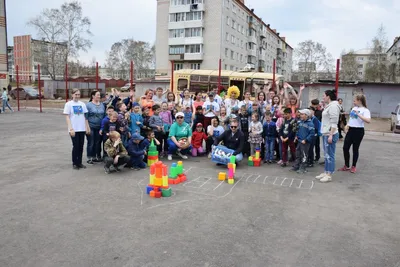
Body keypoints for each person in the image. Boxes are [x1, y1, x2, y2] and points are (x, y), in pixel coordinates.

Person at [338, 94, 371, 174]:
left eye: (355, 100)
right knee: (345, 147)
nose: (353, 102)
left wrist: (359, 114)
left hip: (358, 131)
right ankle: (346, 165)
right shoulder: (354, 108)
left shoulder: (365, 110)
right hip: (351, 130)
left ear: (359, 101)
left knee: (355, 149)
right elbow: (351, 119)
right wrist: (347, 126)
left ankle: (353, 166)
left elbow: (368, 121)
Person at [316, 90, 341, 183]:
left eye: (324, 96)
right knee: (326, 155)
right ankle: (326, 171)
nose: (323, 97)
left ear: (328, 97)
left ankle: (329, 174)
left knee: (330, 155)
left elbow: (334, 122)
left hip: (330, 134)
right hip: (325, 133)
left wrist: (331, 135)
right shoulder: (329, 106)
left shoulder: (334, 106)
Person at [63, 89, 90, 170]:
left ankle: (80, 162)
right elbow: (67, 117)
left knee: (81, 146)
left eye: (78, 94)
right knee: (76, 146)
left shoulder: (82, 104)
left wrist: (87, 127)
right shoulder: (68, 104)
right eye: (76, 94)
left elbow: (85, 117)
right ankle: (75, 162)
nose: (77, 96)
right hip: (74, 129)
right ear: (72, 95)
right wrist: (71, 128)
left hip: (82, 128)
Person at [291, 109, 315, 173]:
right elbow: (298, 130)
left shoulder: (310, 124)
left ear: (306, 115)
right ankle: (297, 166)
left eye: (302, 114)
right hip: (299, 141)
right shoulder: (300, 122)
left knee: (304, 155)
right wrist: (296, 136)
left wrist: (306, 140)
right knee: (298, 154)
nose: (300, 115)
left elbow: (312, 134)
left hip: (305, 142)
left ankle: (303, 168)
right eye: (300, 114)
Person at [85, 91, 105, 164]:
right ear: (93, 96)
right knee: (91, 142)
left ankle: (97, 156)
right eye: (97, 95)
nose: (99, 96)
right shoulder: (88, 105)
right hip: (91, 126)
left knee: (97, 142)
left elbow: (104, 115)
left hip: (99, 127)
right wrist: (87, 128)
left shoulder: (102, 105)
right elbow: (85, 117)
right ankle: (90, 157)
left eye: (99, 95)